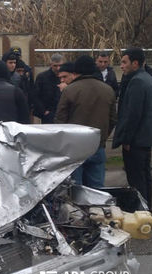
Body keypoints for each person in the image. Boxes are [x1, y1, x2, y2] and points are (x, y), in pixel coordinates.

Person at [55, 55, 117, 188]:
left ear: (76, 72)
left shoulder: (70, 90)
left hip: (74, 148)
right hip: (97, 145)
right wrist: (102, 138)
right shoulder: (108, 90)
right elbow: (112, 119)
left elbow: (60, 120)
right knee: (96, 189)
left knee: (75, 189)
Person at [112, 47, 152, 210]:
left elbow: (133, 114)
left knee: (136, 180)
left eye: (124, 62)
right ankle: (147, 210)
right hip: (145, 138)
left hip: (136, 141)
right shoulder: (149, 78)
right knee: (144, 177)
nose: (121, 66)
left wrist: (126, 139)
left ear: (135, 63)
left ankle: (140, 212)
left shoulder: (137, 81)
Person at [34, 53, 63, 124]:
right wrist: (43, 111)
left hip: (61, 113)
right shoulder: (42, 77)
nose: (58, 68)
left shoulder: (66, 76)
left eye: (60, 65)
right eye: (55, 66)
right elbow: (35, 95)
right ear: (51, 64)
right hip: (48, 113)